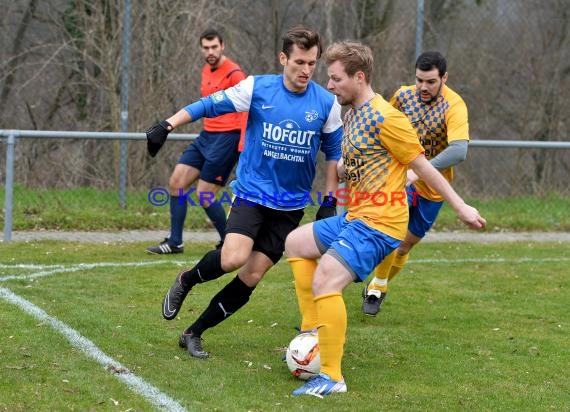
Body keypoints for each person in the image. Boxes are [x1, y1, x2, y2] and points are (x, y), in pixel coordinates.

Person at [284, 41, 486, 396]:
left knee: (326, 280)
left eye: (335, 79)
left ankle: (332, 376)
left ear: (359, 77)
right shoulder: (352, 114)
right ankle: (313, 330)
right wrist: (345, 170)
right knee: (296, 243)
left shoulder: (387, 117)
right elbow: (358, 161)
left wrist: (461, 207)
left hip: (381, 222)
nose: (328, 86)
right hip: (357, 215)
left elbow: (422, 166)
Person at [146, 26, 343, 358]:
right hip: (252, 193)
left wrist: (329, 201)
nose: (306, 70)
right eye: (299, 62)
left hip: (290, 207)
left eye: (312, 63)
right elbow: (209, 105)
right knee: (233, 257)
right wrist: (167, 124)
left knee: (251, 274)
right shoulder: (258, 88)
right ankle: (187, 279)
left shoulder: (327, 103)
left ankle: (194, 332)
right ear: (283, 58)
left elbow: (333, 154)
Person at [361, 51, 470, 316]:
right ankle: (376, 288)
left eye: (431, 81)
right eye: (419, 80)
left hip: (433, 189)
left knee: (406, 244)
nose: (423, 87)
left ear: (444, 77)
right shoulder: (403, 95)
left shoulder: (454, 106)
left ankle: (380, 283)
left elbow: (459, 151)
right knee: (391, 236)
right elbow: (381, 122)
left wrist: (420, 171)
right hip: (399, 180)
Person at [146, 28, 247, 254]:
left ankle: (228, 241)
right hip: (206, 136)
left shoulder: (234, 74)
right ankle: (175, 242)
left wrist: (242, 143)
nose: (210, 51)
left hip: (228, 138)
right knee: (176, 182)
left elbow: (246, 111)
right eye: (206, 47)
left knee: (205, 194)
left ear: (223, 46)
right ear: (201, 48)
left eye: (214, 47)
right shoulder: (205, 70)